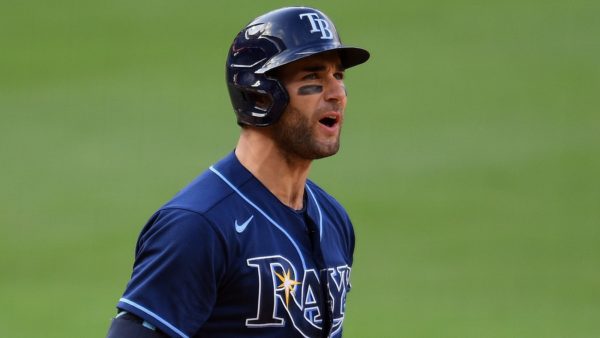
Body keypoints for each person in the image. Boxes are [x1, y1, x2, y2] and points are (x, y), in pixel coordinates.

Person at [106, 6, 370, 338]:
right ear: (261, 94)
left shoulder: (333, 219)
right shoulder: (199, 225)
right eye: (313, 78)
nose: (337, 94)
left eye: (339, 76)